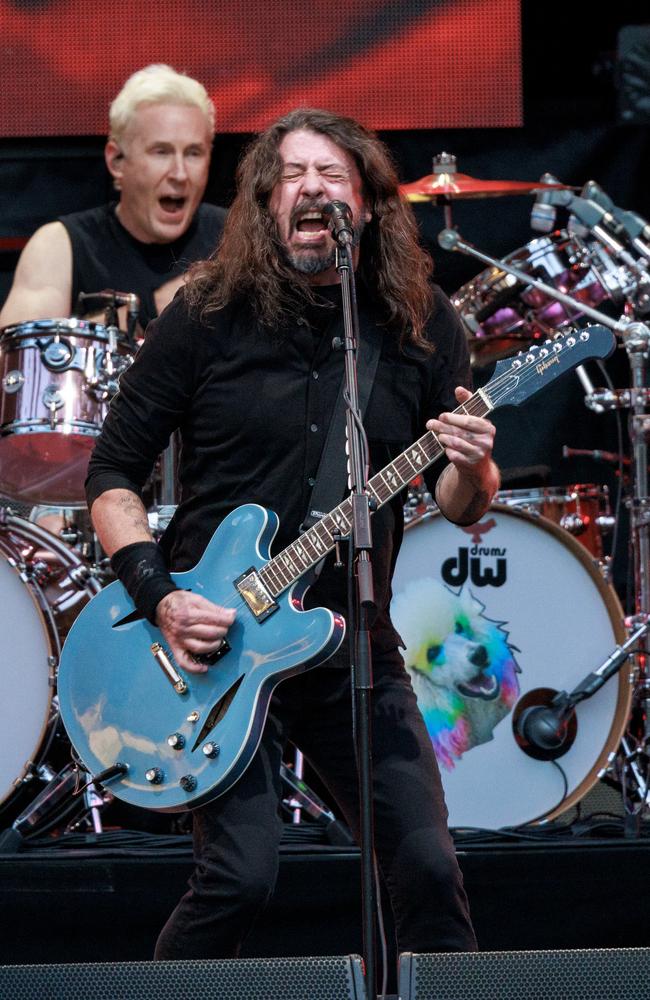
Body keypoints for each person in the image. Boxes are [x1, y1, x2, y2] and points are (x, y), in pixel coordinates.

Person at [84, 108, 500, 961]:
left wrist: (473, 462)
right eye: (292, 176)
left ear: (372, 203)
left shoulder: (421, 325)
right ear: (267, 205)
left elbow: (464, 505)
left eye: (333, 175)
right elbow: (112, 475)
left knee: (424, 867)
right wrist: (161, 601)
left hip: (350, 637)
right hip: (213, 643)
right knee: (241, 876)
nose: (312, 188)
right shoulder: (206, 315)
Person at [0, 63, 226, 331]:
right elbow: (14, 359)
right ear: (117, 160)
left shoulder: (239, 238)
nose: (180, 173)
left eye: (193, 153)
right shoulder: (60, 246)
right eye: (161, 152)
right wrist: (157, 309)